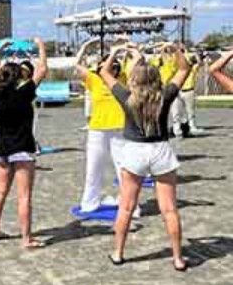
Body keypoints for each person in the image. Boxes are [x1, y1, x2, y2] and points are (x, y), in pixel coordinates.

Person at [99, 43, 190, 271]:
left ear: (134, 79)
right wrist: (174, 49)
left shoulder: (126, 96)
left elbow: (104, 73)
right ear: (156, 79)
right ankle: (177, 258)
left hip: (134, 151)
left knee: (126, 207)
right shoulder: (165, 95)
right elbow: (183, 69)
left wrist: (115, 51)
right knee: (169, 209)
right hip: (160, 150)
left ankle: (118, 253)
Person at [0, 39, 48, 248]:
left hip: (2, 147)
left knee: (0, 191)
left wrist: (0, 49)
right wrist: (40, 46)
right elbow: (42, 69)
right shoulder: (23, 93)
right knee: (24, 196)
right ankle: (26, 238)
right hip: (22, 147)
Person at [75, 39, 128, 213]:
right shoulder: (94, 79)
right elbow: (77, 64)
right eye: (107, 65)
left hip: (119, 129)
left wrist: (124, 48)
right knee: (93, 168)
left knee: (124, 169)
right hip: (97, 129)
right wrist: (86, 45)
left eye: (114, 65)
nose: (111, 68)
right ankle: (90, 203)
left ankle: (129, 204)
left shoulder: (124, 78)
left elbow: (137, 63)